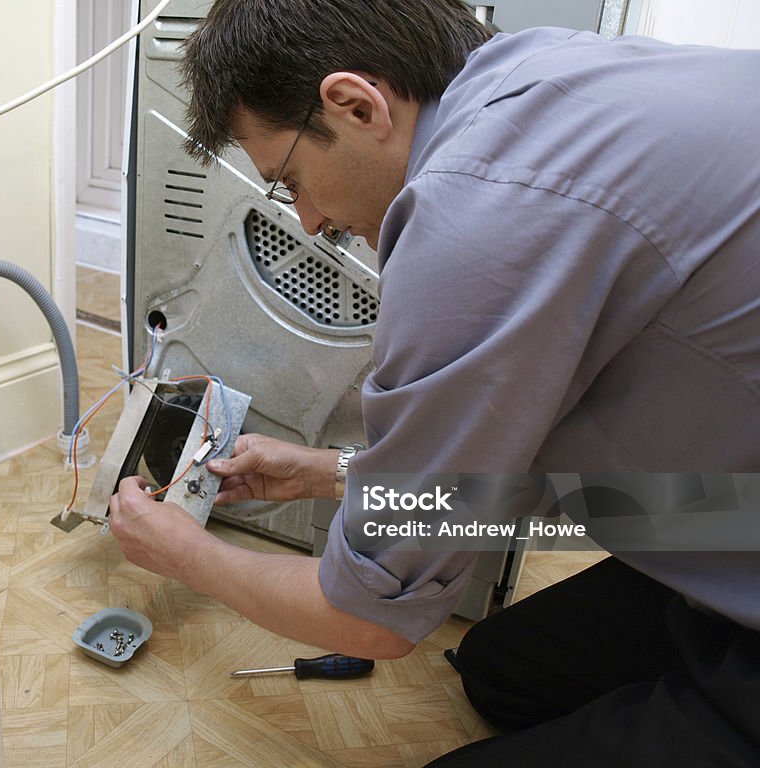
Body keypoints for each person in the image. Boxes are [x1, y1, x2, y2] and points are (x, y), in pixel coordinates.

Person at [108, 1, 760, 765]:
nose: (308, 222)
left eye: (290, 181)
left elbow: (370, 623)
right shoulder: (542, 70)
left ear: (357, 105)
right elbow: (567, 458)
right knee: (503, 673)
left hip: (727, 524)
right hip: (733, 513)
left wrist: (188, 553)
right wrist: (339, 472)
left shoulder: (475, 217)